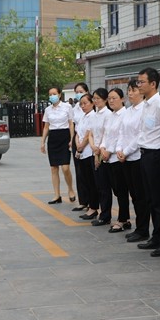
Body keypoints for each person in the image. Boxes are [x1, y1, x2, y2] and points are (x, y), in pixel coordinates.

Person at [136, 68, 160, 256]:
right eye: (138, 82)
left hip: (157, 156)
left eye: (142, 82)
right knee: (151, 199)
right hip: (145, 155)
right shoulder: (145, 105)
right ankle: (156, 236)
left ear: (153, 84)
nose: (139, 85)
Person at [117, 78, 150, 243]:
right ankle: (139, 228)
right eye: (129, 90)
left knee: (141, 195)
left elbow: (140, 135)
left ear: (141, 92)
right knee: (134, 195)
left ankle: (143, 229)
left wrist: (127, 151)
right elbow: (121, 132)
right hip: (126, 158)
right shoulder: (128, 111)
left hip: (137, 157)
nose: (130, 93)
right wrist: (119, 150)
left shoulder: (145, 109)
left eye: (134, 90)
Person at [101, 88, 131, 232]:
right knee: (116, 190)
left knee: (121, 191)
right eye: (109, 98)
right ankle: (122, 218)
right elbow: (105, 135)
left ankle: (123, 219)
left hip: (118, 158)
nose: (111, 101)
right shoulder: (110, 116)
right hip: (107, 158)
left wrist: (109, 150)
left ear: (122, 99)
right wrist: (102, 149)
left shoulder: (125, 115)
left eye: (114, 98)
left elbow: (121, 136)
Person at [40, 86, 76, 204]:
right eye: (50, 94)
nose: (52, 96)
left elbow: (71, 124)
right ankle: (57, 195)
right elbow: (46, 127)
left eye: (54, 94)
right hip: (53, 138)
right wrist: (42, 142)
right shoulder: (48, 110)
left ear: (60, 95)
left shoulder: (67, 107)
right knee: (54, 168)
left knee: (65, 167)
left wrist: (72, 138)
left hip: (64, 136)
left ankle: (70, 189)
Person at [89, 88, 113, 226]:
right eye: (94, 98)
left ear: (105, 100)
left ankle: (106, 215)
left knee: (104, 186)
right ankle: (102, 212)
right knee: (98, 185)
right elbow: (91, 133)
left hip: (104, 153)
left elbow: (106, 133)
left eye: (98, 98)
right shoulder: (94, 114)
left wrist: (98, 152)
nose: (95, 101)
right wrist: (93, 147)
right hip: (95, 151)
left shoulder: (108, 114)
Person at [74, 93, 100, 220]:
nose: (83, 106)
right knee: (85, 180)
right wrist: (77, 145)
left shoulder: (93, 116)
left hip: (89, 151)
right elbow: (78, 133)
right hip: (82, 153)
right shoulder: (83, 117)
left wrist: (81, 145)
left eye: (85, 103)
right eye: (81, 104)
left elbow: (88, 134)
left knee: (92, 181)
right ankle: (90, 205)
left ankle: (94, 207)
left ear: (92, 103)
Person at [70, 82, 91, 212]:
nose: (78, 93)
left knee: (88, 173)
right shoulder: (75, 108)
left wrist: (83, 143)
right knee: (79, 171)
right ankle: (83, 201)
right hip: (77, 140)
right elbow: (74, 125)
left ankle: (91, 202)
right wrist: (75, 141)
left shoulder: (90, 108)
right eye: (76, 91)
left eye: (81, 91)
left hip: (88, 142)